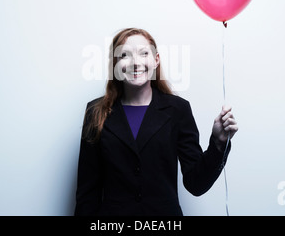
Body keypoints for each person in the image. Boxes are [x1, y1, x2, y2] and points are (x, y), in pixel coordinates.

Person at [74, 28, 238, 216]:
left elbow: (196, 183)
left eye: (144, 53)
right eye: (125, 55)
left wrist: (218, 143)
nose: (136, 62)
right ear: (116, 64)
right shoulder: (95, 112)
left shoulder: (178, 110)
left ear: (156, 60)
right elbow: (87, 193)